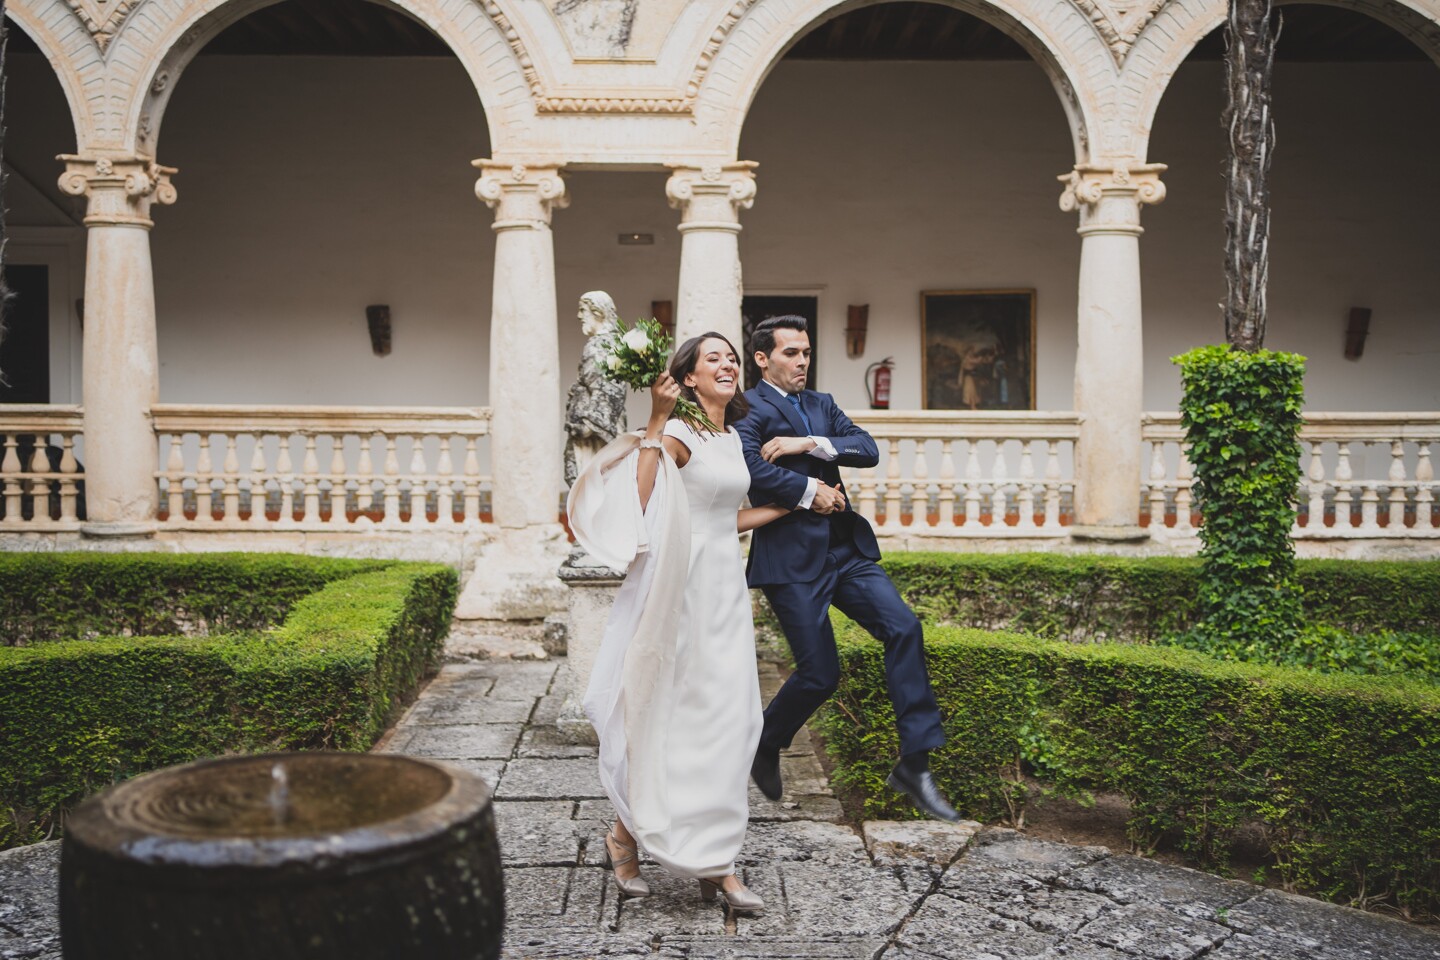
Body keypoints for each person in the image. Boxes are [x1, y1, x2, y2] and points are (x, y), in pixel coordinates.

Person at [567, 332, 789, 914]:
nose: (728, 364)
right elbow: (641, 502)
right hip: (682, 587)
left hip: (724, 589)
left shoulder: (732, 436)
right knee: (674, 716)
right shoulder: (680, 434)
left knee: (732, 719)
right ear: (689, 376)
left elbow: (722, 518)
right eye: (713, 358)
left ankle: (711, 856)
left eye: (732, 357)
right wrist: (657, 420)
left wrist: (790, 504)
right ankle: (647, 844)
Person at [734, 315, 959, 822]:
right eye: (791, 353)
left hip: (846, 552)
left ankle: (915, 763)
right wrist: (810, 491)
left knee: (904, 627)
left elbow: (867, 449)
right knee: (820, 676)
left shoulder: (823, 404)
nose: (802, 362)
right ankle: (766, 742)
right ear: (763, 359)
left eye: (807, 352)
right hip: (790, 562)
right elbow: (751, 470)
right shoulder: (747, 408)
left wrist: (808, 443)